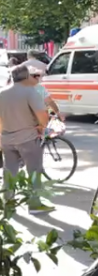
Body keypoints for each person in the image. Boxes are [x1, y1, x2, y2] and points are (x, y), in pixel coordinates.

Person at [0, 65, 53, 213]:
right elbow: (42, 115)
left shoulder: (2, 93)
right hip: (28, 138)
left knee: (9, 172)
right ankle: (34, 204)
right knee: (34, 171)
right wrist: (42, 127)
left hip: (7, 139)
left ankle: (7, 202)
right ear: (26, 77)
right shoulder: (30, 92)